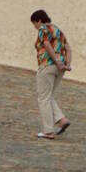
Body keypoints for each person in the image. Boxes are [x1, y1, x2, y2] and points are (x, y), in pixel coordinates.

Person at [30, 9, 71, 139]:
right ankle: (61, 120)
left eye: (34, 24)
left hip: (47, 65)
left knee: (43, 98)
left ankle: (49, 131)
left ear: (39, 20)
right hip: (60, 68)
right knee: (48, 95)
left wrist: (57, 61)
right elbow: (68, 48)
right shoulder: (58, 30)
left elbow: (47, 45)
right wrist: (67, 64)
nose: (35, 27)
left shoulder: (43, 29)